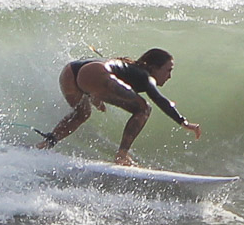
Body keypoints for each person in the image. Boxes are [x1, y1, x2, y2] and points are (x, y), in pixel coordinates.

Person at [36, 49, 202, 166]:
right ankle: (121, 155)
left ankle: (45, 144)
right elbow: (157, 98)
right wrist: (183, 122)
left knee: (82, 114)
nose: (169, 76)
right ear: (153, 68)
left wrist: (95, 95)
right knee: (144, 108)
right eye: (168, 70)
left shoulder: (131, 70)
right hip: (96, 72)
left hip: (70, 72)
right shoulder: (145, 75)